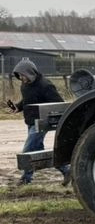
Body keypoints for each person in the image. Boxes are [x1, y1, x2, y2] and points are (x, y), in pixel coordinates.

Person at [8, 58, 71, 186]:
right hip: (30, 122)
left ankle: (26, 178)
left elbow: (59, 103)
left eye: (22, 75)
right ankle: (66, 170)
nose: (20, 78)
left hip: (41, 123)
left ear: (30, 72)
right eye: (19, 76)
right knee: (38, 152)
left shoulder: (45, 85)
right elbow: (26, 100)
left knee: (28, 150)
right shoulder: (24, 85)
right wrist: (17, 107)